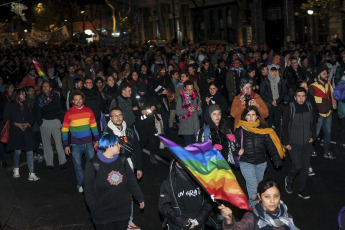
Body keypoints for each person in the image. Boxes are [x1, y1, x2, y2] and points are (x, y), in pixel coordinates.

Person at [84, 134, 145, 230]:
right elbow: (88, 190)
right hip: (102, 213)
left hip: (122, 212)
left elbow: (131, 181)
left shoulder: (122, 160)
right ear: (108, 146)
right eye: (117, 144)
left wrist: (140, 197)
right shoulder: (93, 164)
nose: (119, 146)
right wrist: (94, 208)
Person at [234, 106, 283, 208]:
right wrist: (237, 151)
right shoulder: (240, 130)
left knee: (259, 188)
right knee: (253, 188)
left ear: (257, 117)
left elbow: (271, 146)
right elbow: (232, 146)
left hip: (261, 163)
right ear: (245, 117)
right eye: (248, 115)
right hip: (246, 162)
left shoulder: (264, 130)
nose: (251, 117)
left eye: (253, 115)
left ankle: (255, 206)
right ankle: (255, 213)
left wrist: (277, 160)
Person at [103, 107, 142, 230]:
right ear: (110, 118)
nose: (118, 117)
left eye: (120, 115)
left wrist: (139, 167)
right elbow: (103, 153)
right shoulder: (107, 133)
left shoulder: (130, 129)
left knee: (129, 195)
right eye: (115, 116)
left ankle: (129, 221)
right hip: (114, 167)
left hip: (129, 165)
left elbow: (137, 149)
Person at [219, 178, 299, 230]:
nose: (272, 201)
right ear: (259, 196)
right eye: (267, 196)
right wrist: (229, 220)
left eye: (276, 196)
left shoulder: (287, 215)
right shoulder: (252, 218)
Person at [62, 90, 99, 192]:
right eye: (76, 100)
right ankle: (81, 184)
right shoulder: (68, 113)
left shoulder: (89, 111)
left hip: (89, 144)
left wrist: (97, 140)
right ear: (72, 101)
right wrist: (66, 145)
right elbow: (64, 130)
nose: (78, 101)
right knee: (78, 167)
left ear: (83, 99)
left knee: (90, 166)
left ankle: (90, 184)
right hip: (75, 145)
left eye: (80, 99)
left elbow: (94, 127)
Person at [282, 87, 316, 199]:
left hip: (307, 143)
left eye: (303, 96)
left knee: (305, 167)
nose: (301, 99)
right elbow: (284, 127)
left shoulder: (309, 106)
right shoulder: (290, 108)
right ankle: (289, 179)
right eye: (299, 96)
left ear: (306, 97)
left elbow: (313, 122)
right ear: (295, 97)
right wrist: (286, 142)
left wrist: (313, 136)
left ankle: (301, 190)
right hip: (294, 143)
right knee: (297, 165)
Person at [159, 160, 213, 230]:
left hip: (198, 225)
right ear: (176, 161)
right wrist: (182, 222)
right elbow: (164, 206)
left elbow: (209, 203)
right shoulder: (170, 181)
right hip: (178, 226)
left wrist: (198, 220)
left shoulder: (202, 178)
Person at [3, 89, 40, 181]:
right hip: (16, 131)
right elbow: (6, 119)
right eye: (22, 93)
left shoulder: (26, 104)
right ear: (17, 95)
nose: (24, 94)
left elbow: (32, 117)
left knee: (30, 152)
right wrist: (16, 124)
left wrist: (28, 124)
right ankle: (16, 169)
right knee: (18, 151)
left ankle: (31, 173)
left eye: (24, 93)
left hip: (27, 131)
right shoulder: (10, 105)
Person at [35, 81, 67, 171]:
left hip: (55, 122)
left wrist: (60, 120)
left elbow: (60, 108)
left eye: (47, 86)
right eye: (43, 86)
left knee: (59, 143)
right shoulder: (39, 97)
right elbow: (37, 111)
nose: (45, 87)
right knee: (46, 144)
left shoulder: (55, 96)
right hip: (45, 122)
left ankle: (63, 162)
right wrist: (40, 122)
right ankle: (49, 163)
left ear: (50, 88)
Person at [309, 67, 336, 159]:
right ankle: (310, 149)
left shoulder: (328, 85)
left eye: (326, 74)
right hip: (318, 115)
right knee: (314, 134)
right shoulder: (312, 86)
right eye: (324, 74)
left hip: (328, 113)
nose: (326, 75)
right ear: (318, 75)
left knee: (328, 133)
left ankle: (327, 151)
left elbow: (329, 98)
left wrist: (331, 108)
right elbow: (310, 102)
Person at [176, 80, 202, 145]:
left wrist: (199, 110)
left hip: (195, 126)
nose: (190, 92)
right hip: (186, 126)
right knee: (189, 146)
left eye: (191, 89)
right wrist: (187, 110)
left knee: (196, 146)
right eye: (188, 90)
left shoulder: (196, 97)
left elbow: (200, 113)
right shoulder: (181, 98)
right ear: (184, 88)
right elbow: (178, 112)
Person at [260, 67, 283, 137]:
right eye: (272, 72)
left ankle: (278, 138)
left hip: (278, 104)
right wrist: (271, 101)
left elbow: (282, 93)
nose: (274, 73)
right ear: (269, 72)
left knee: (277, 122)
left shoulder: (279, 81)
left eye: (275, 72)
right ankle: (269, 138)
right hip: (269, 105)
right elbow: (262, 94)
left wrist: (277, 100)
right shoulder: (265, 81)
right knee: (269, 122)